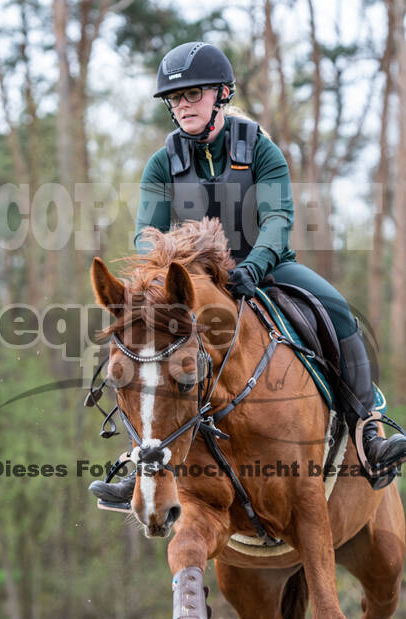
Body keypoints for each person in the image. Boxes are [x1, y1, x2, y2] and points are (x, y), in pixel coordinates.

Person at [90, 42, 406, 508]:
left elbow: (278, 218)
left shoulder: (259, 148)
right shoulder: (162, 163)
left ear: (221, 94)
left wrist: (254, 265)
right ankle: (139, 462)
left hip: (268, 268)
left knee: (338, 311)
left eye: (192, 95)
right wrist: (157, 275)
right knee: (143, 339)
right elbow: (147, 233)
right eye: (174, 99)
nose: (182, 106)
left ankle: (368, 434)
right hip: (193, 279)